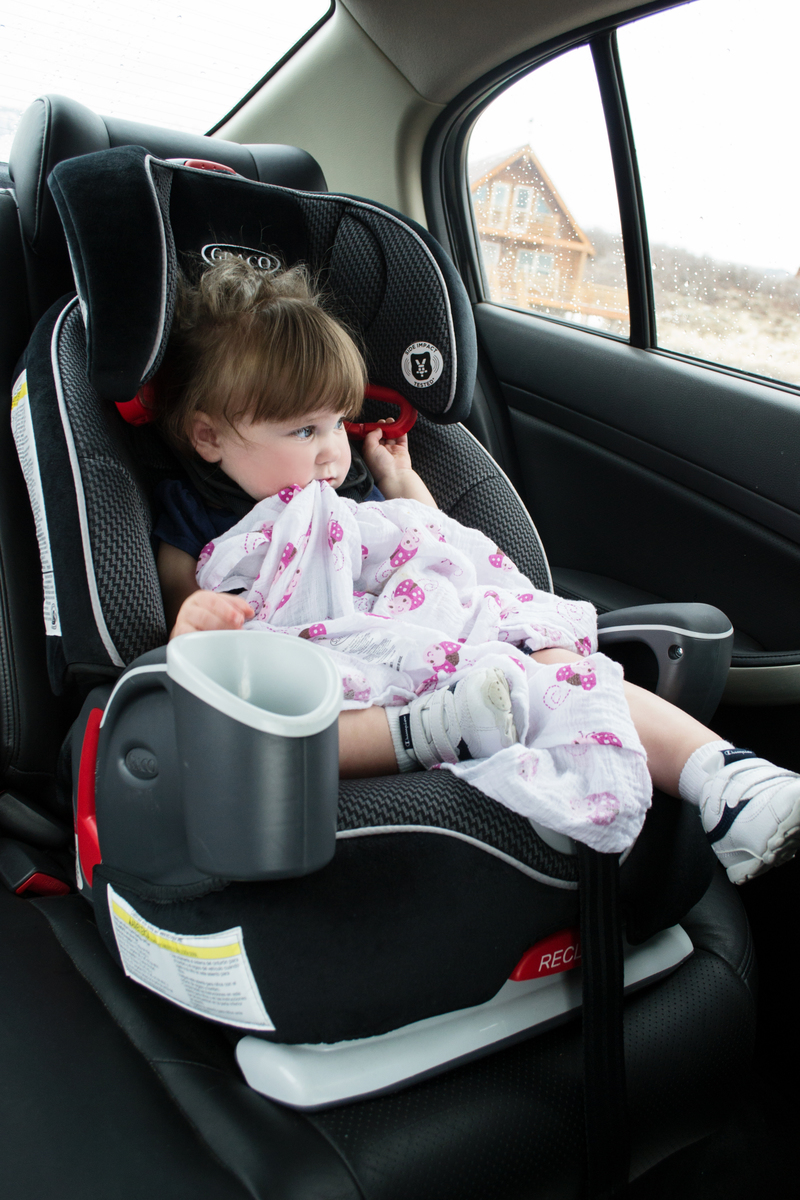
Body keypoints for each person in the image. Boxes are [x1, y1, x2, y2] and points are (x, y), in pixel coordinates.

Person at [152, 257, 800, 884]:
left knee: (560, 669)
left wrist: (400, 480)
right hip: (313, 656)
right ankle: (429, 731)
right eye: (301, 432)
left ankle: (726, 778)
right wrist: (198, 618)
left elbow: (436, 543)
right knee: (271, 727)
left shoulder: (352, 493)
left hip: (434, 637)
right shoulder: (198, 511)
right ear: (209, 437)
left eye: (333, 424)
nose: (329, 451)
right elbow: (183, 599)